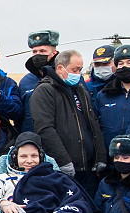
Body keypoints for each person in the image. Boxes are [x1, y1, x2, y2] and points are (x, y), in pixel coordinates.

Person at [30, 49, 107, 194]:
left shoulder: (80, 90)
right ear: (60, 68)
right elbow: (45, 129)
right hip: (65, 169)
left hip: (88, 168)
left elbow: (92, 122)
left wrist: (100, 156)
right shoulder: (45, 91)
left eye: (80, 70)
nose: (78, 74)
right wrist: (63, 161)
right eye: (75, 69)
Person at [93, 44, 130, 145]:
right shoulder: (104, 95)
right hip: (110, 154)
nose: (124, 67)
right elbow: (95, 127)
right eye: (120, 63)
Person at [19, 30, 60, 132]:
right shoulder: (25, 82)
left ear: (54, 53)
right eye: (34, 51)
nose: (37, 54)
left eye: (42, 51)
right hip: (33, 139)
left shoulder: (64, 77)